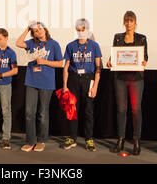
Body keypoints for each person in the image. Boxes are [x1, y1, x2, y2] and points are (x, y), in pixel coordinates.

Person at [16, 21, 63, 152]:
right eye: (35, 30)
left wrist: (44, 62)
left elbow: (60, 63)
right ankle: (30, 141)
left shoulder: (54, 44)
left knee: (42, 113)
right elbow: (18, 43)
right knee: (29, 113)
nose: (38, 31)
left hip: (46, 83)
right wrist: (27, 29)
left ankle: (41, 140)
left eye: (40, 28)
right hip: (31, 81)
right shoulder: (31, 43)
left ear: (45, 29)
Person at [107, 11, 148, 155]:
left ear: (135, 23)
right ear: (123, 22)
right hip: (120, 79)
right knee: (121, 110)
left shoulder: (142, 38)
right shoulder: (118, 38)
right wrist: (110, 62)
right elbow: (114, 56)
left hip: (136, 79)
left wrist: (143, 61)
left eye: (131, 21)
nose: (129, 23)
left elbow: (145, 56)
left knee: (136, 110)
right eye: (126, 21)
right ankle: (121, 139)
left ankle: (136, 140)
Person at [61, 19, 102, 152]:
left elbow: (98, 67)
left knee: (88, 110)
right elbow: (66, 67)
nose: (80, 32)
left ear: (87, 30)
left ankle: (89, 138)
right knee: (72, 109)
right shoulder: (70, 46)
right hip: (73, 78)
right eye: (78, 30)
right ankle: (72, 138)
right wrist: (65, 85)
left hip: (88, 79)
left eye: (83, 30)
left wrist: (95, 85)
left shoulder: (94, 46)